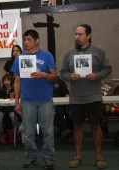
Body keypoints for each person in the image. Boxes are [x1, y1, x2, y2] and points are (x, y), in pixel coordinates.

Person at [60, 24, 112, 169]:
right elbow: (63, 73)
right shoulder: (68, 53)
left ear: (88, 36)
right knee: (78, 126)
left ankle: (99, 158)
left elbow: (108, 68)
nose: (77, 37)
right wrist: (70, 76)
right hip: (76, 97)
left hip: (94, 96)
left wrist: (97, 75)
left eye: (80, 34)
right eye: (76, 34)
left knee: (96, 126)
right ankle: (78, 157)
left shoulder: (99, 51)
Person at [11, 29, 57, 169]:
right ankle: (30, 157)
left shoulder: (47, 55)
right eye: (24, 39)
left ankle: (48, 158)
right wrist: (16, 102)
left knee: (48, 131)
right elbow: (17, 81)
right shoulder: (20, 58)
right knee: (28, 132)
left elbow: (55, 77)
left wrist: (44, 75)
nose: (26, 42)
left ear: (37, 41)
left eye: (29, 39)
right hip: (27, 101)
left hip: (45, 100)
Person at [0, 73, 15, 144]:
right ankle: (0, 135)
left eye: (8, 80)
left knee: (13, 118)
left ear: (11, 81)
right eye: (4, 80)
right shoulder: (2, 89)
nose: (6, 82)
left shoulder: (14, 89)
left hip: (11, 108)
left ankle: (16, 133)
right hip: (2, 108)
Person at [53, 76, 73, 141]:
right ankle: (64, 129)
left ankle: (65, 130)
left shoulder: (60, 82)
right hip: (46, 103)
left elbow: (66, 93)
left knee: (59, 110)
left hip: (60, 104)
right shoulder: (43, 81)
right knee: (58, 110)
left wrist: (67, 95)